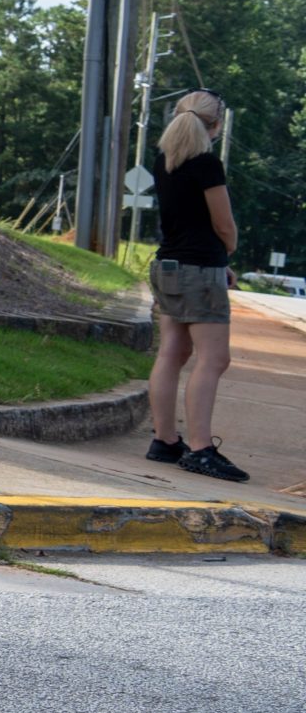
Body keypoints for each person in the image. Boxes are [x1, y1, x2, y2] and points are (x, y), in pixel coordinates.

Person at [145, 88, 247, 482]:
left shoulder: (165, 160)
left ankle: (164, 441)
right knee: (214, 358)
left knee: (172, 351)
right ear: (215, 125)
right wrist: (227, 251)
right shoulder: (206, 164)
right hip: (199, 270)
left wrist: (219, 263)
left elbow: (186, 222)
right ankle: (201, 450)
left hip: (168, 266)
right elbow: (223, 224)